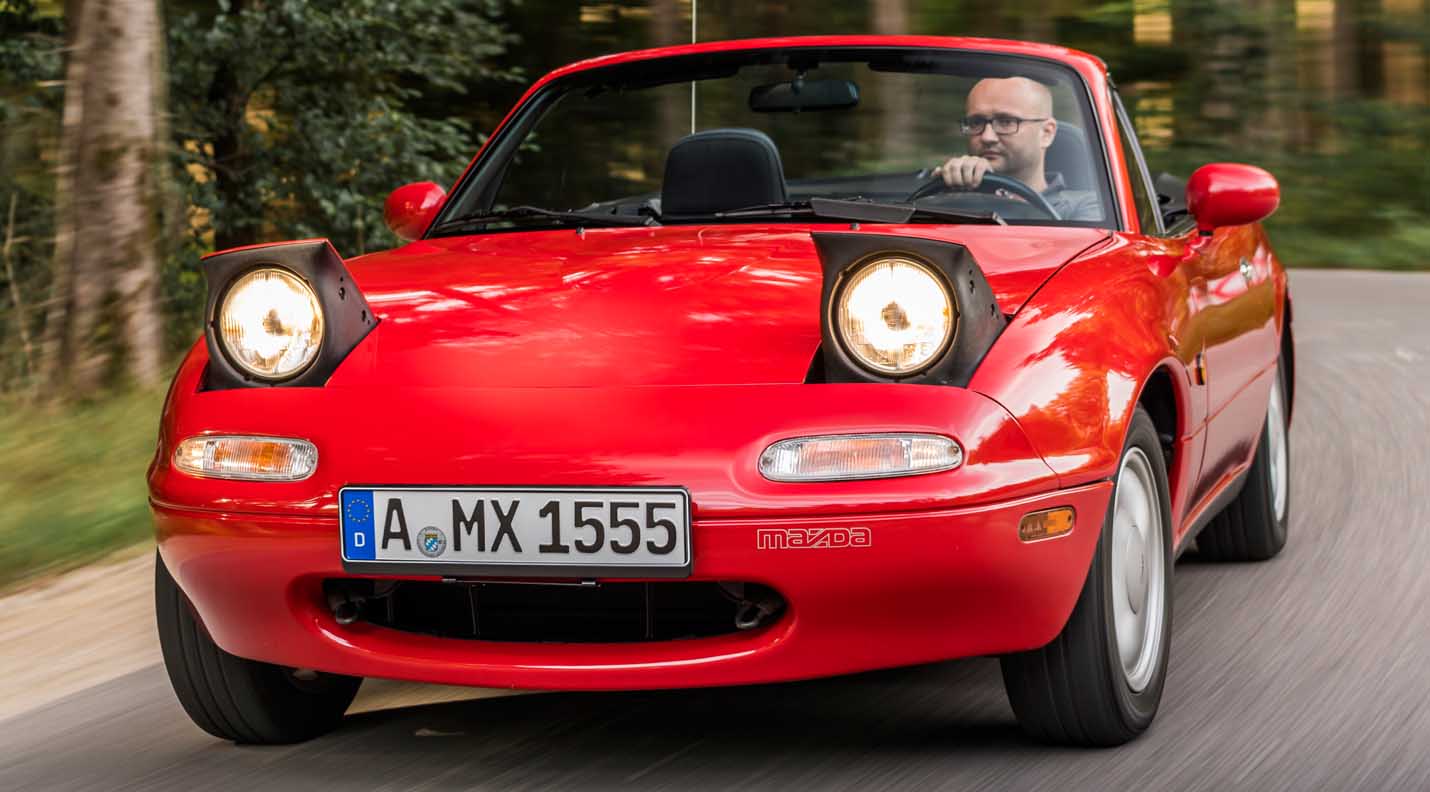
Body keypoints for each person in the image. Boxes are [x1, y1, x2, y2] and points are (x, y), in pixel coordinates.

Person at [933, 76, 1101, 221]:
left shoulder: (1088, 208)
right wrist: (947, 195)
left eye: (1006, 122)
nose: (987, 137)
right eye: (976, 122)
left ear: (1046, 133)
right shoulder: (949, 197)